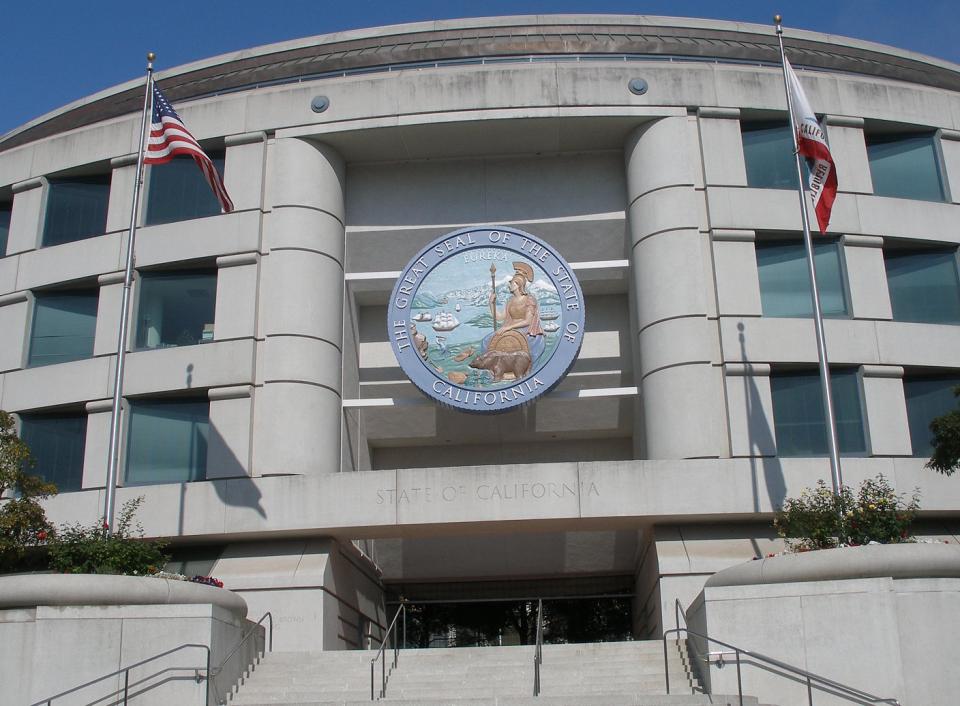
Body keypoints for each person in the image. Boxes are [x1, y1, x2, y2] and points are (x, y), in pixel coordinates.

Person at [484, 261, 545, 362]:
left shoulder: (529, 299)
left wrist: (508, 327)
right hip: (509, 328)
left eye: (511, 283)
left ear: (517, 284)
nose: (509, 285)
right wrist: (491, 303)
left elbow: (528, 321)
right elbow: (499, 317)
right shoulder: (510, 301)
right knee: (487, 340)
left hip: (525, 330)